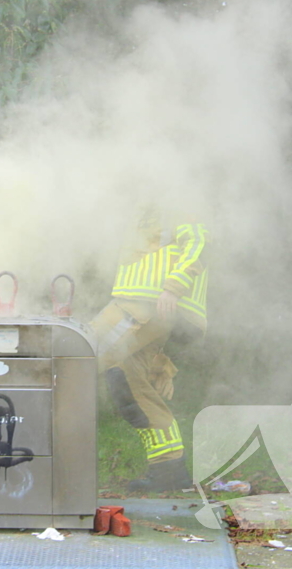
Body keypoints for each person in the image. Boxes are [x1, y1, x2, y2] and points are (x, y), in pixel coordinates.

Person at [90, 205, 208, 492]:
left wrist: (173, 287)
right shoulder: (142, 208)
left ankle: (37, 450)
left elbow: (198, 241)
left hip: (147, 304)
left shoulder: (174, 198)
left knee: (78, 356)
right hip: (148, 305)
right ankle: (169, 471)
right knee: (127, 381)